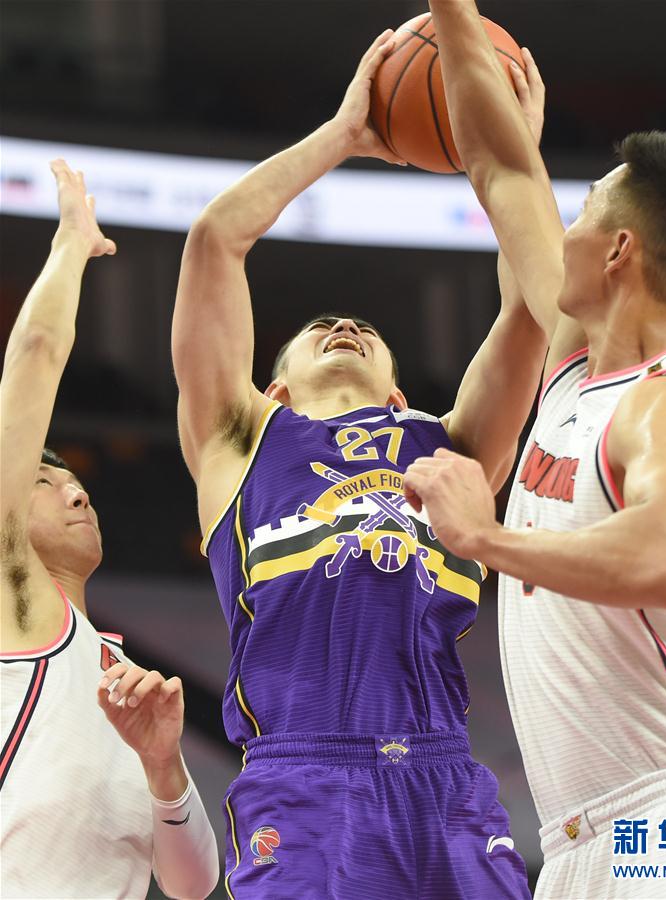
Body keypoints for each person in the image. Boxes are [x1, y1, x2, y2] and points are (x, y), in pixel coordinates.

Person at [171, 29, 548, 899]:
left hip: (442, 777)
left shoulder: (450, 443)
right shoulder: (240, 438)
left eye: (362, 331)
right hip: (302, 778)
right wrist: (347, 133)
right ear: (274, 387)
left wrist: (509, 159)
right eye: (319, 330)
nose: (343, 328)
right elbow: (215, 240)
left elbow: (532, 309)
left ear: (396, 392)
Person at [403, 3, 666, 898]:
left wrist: (483, 538)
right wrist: (454, 17)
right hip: (578, 836)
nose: (557, 230)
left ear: (616, 252)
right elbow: (498, 171)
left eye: (579, 214)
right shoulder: (575, 367)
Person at [0, 160, 219, 899]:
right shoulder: (15, 605)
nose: (75, 491)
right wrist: (70, 245)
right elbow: (34, 359)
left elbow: (193, 884)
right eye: (45, 481)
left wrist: (163, 765)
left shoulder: (123, 678)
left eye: (78, 485)